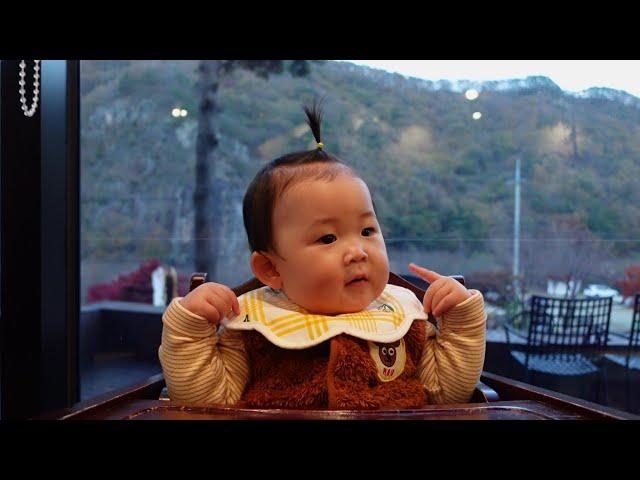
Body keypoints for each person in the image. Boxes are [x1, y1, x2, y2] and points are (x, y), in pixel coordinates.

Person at [159, 103, 486, 409]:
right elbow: (207, 403)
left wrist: (461, 321)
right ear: (271, 268)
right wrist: (189, 328)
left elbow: (447, 394)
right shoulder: (251, 329)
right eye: (328, 237)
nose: (358, 251)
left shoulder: (403, 319)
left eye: (367, 231)